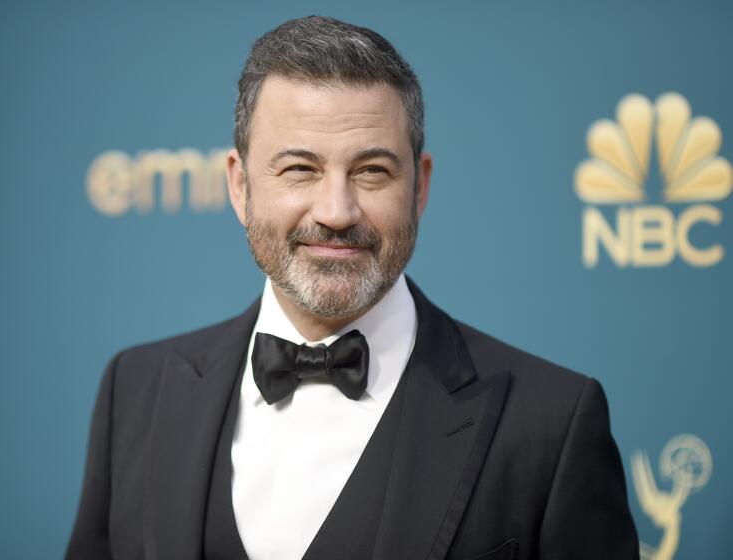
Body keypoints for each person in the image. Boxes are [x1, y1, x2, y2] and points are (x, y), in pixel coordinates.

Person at [66, 16, 639, 560]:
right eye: (299, 169)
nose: (337, 211)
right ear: (240, 187)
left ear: (420, 187)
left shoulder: (551, 423)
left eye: (371, 171)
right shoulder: (135, 392)